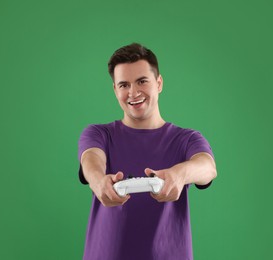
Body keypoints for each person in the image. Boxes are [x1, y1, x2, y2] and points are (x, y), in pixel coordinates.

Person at [78, 43, 217, 260]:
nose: (133, 92)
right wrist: (98, 181)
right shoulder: (99, 134)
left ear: (159, 83)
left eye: (142, 81)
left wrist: (179, 174)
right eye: (124, 85)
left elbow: (207, 167)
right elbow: (91, 159)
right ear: (115, 90)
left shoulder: (186, 139)